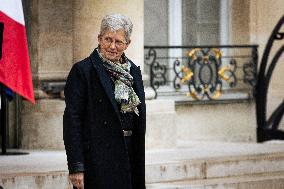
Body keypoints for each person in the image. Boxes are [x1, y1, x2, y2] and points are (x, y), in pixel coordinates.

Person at [63, 14, 146, 189]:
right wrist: (76, 167)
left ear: (128, 44)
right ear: (99, 39)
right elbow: (72, 122)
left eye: (119, 42)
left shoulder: (133, 72)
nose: (113, 47)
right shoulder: (83, 71)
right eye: (108, 39)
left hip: (129, 154)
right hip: (97, 160)